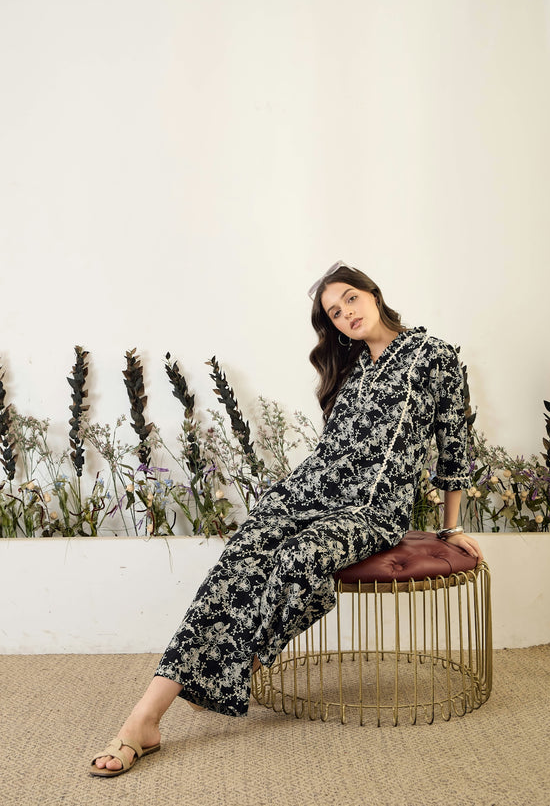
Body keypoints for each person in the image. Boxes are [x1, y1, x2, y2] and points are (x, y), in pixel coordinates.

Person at [90, 262, 483, 777]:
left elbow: (454, 446)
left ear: (374, 293)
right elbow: (331, 451)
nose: (346, 316)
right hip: (308, 491)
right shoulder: (353, 367)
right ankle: (144, 718)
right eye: (334, 313)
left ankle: (227, 670)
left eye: (350, 300)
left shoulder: (434, 355)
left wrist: (452, 528)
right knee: (238, 559)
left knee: (298, 559)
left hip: (371, 509)